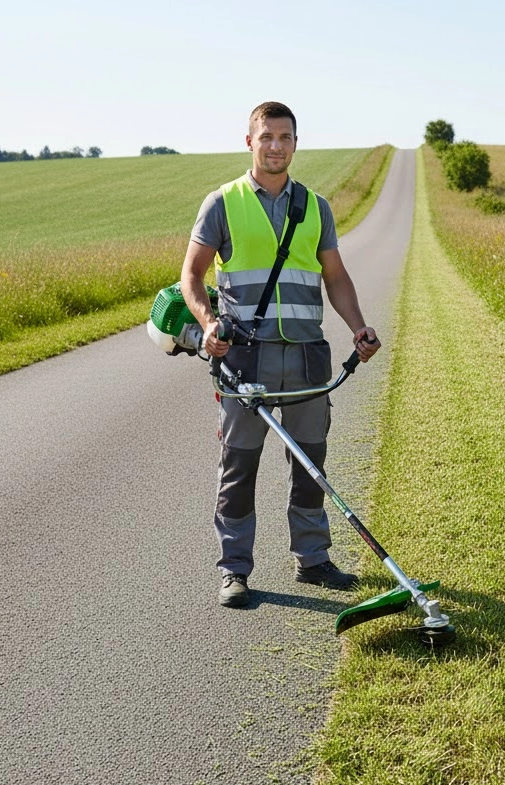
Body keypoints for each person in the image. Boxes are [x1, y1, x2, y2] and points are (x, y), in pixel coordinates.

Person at [180, 101, 381, 609]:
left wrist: (358, 326)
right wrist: (208, 327)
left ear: (296, 143)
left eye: (284, 137)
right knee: (239, 466)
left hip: (308, 355)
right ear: (250, 142)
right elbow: (192, 276)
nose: (275, 146)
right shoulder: (221, 203)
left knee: (311, 463)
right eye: (266, 136)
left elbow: (334, 277)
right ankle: (234, 570)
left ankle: (313, 561)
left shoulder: (316, 206)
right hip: (245, 360)